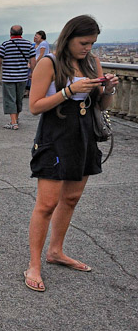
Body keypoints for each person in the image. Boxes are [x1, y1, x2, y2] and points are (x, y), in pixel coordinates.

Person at [23, 15, 118, 292]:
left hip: (84, 133)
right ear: (69, 37)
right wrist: (69, 90)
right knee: (47, 204)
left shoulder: (92, 63)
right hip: (55, 135)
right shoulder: (49, 63)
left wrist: (108, 89)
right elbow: (35, 106)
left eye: (92, 43)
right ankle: (34, 264)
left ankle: (56, 251)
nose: (88, 48)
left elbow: (102, 104)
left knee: (72, 198)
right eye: (84, 42)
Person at [0, 25, 36, 130]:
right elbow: (33, 60)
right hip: (22, 76)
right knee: (18, 99)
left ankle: (13, 123)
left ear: (10, 33)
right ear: (22, 33)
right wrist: (33, 72)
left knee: (10, 99)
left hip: (8, 76)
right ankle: (16, 119)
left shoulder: (5, 44)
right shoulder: (29, 44)